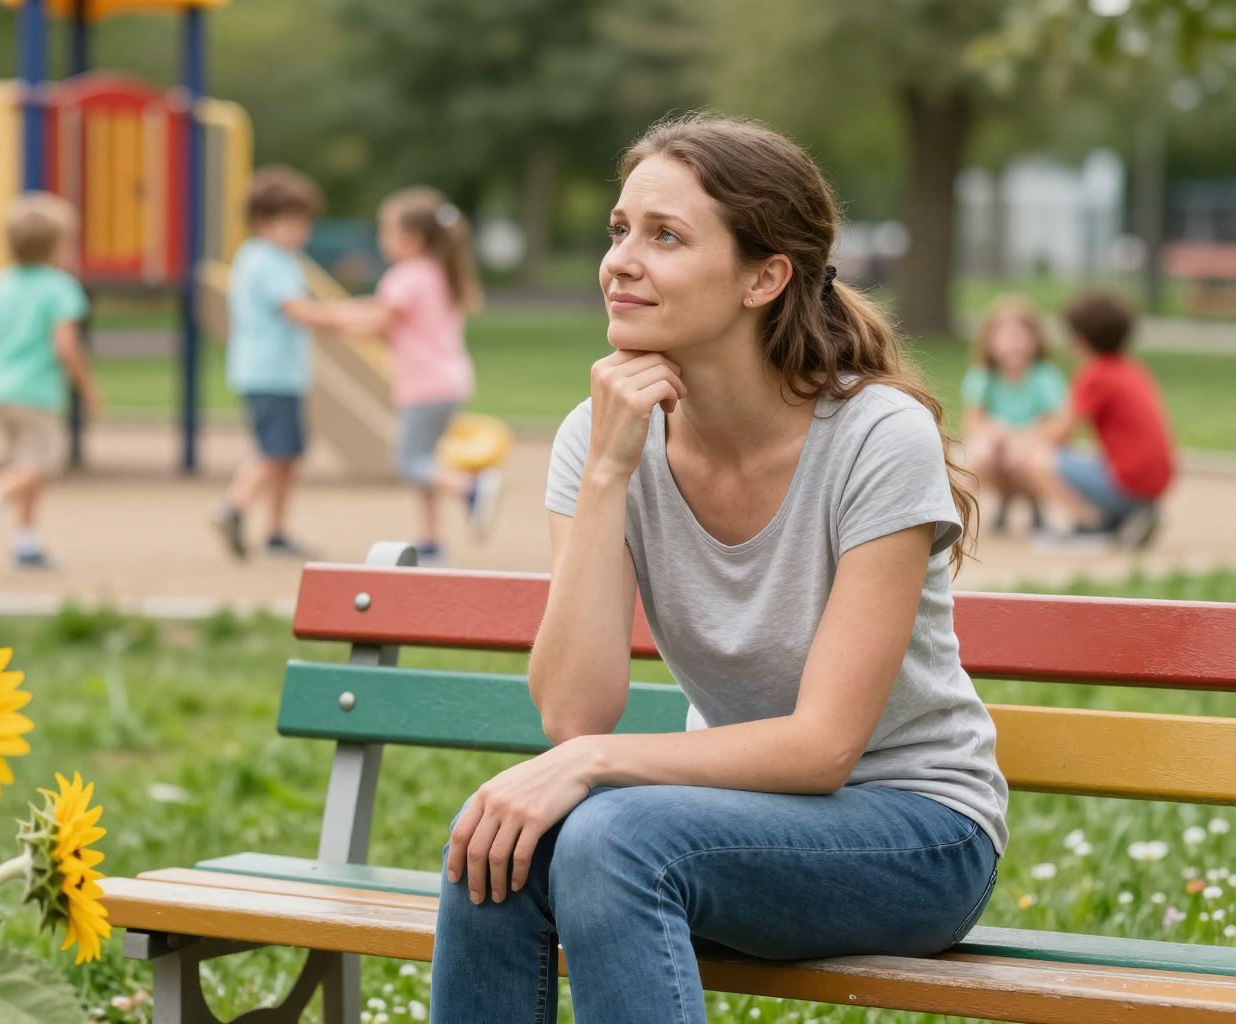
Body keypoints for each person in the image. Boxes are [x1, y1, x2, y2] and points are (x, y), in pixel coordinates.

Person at [429, 115, 1007, 1023]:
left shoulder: (875, 439)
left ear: (764, 277)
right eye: (620, 229)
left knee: (614, 837)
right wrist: (612, 473)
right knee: (496, 847)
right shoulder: (600, 436)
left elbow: (823, 749)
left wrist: (590, 764)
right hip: (719, 819)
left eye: (665, 236)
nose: (621, 259)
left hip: (917, 834)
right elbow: (573, 712)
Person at [341, 186, 500, 561]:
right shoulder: (437, 273)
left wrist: (333, 323)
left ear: (411, 238)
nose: (382, 239)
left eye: (386, 230)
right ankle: (430, 540)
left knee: (408, 462)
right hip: (450, 382)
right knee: (427, 461)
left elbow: (377, 323)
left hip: (425, 387)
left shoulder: (406, 276)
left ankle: (471, 488)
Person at [215, 166, 362, 560]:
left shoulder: (258, 257)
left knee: (286, 452)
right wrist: (346, 320)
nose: (302, 233)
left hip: (269, 372)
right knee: (274, 450)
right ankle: (235, 505)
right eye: (293, 223)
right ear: (263, 221)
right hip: (270, 373)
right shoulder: (270, 261)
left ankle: (276, 530)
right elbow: (297, 310)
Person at [0, 192, 100, 570]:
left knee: (25, 466)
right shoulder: (60, 287)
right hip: (36, 391)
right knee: (42, 464)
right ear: (57, 246)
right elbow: (66, 345)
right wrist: (87, 386)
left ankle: (26, 543)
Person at [1018, 290, 1174, 550]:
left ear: (1079, 338)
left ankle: (1091, 525)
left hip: (1129, 484)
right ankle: (1126, 516)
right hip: (1154, 483)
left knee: (1038, 459)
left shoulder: (1096, 374)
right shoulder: (1132, 369)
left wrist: (1021, 440)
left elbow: (1060, 433)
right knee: (1083, 455)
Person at [959, 296, 1067, 533]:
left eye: (1021, 336)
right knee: (979, 452)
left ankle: (1035, 502)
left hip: (1030, 444)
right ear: (990, 341)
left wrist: (1026, 438)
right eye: (1006, 336)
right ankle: (960, 514)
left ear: (1035, 340)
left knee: (1027, 456)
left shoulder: (1044, 376)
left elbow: (1058, 423)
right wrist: (994, 433)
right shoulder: (983, 376)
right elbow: (973, 423)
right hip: (999, 445)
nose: (1014, 344)